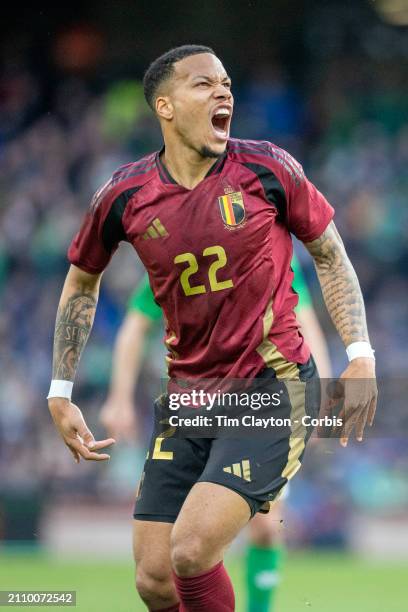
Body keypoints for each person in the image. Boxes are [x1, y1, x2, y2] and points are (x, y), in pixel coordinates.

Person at [47, 45, 377, 612]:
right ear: (165, 106)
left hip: (272, 389)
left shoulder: (267, 168)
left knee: (193, 549)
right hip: (188, 399)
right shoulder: (124, 196)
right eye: (204, 85)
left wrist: (361, 355)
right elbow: (82, 282)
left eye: (226, 83)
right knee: (154, 579)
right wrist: (60, 391)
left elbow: (329, 254)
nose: (224, 92)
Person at [100, 259, 332, 612]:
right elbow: (135, 323)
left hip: (259, 401)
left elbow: (304, 320)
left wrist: (322, 395)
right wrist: (118, 398)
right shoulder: (177, 251)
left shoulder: (268, 245)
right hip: (192, 403)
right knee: (157, 571)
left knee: (266, 529)